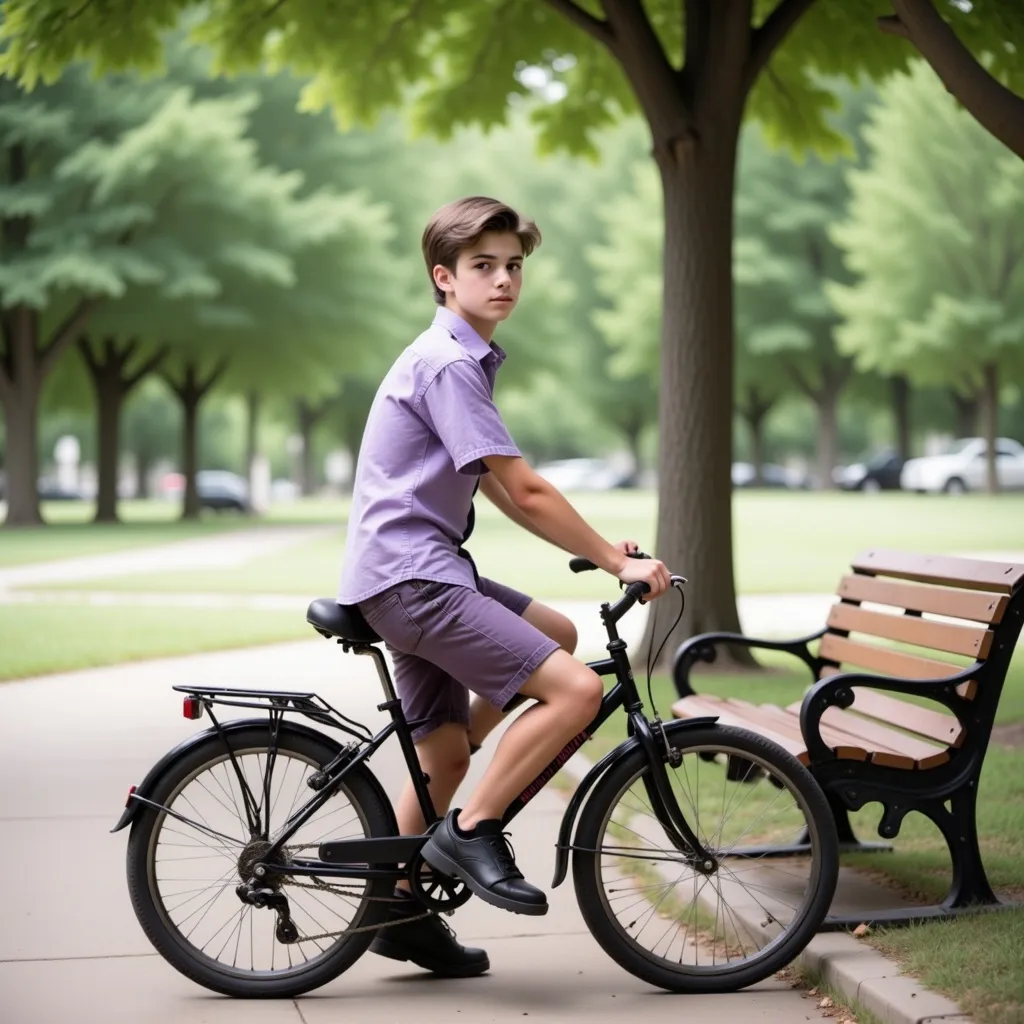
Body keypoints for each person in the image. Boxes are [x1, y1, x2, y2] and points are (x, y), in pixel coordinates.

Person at [337, 195, 669, 977]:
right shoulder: (450, 364)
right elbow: (521, 490)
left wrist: (594, 545)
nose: (504, 280)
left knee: (505, 690)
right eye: (483, 267)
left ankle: (400, 910)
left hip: (412, 574)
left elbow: (490, 483)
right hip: (415, 580)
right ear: (443, 278)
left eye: (514, 265)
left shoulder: (456, 358)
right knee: (578, 694)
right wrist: (618, 563)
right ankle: (472, 830)